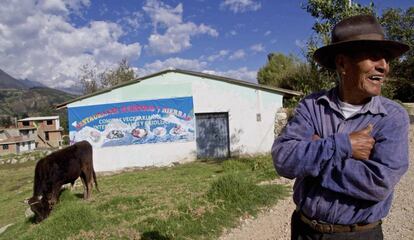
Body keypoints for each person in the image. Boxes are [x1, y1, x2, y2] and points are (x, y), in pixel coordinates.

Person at [271, 14, 410, 240]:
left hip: (359, 235)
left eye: (386, 59)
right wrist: (342, 145)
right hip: (304, 232)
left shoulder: (392, 117)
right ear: (342, 63)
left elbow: (377, 184)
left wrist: (314, 157)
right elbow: (283, 159)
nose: (384, 66)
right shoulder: (312, 106)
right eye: (374, 56)